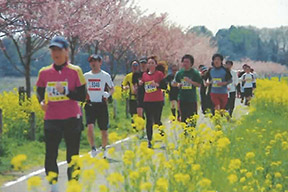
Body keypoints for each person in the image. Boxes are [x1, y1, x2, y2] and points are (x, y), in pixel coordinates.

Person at [36, 36, 86, 192]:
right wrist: (41, 102)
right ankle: (54, 186)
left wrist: (65, 92)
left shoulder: (75, 71)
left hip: (72, 117)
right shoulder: (44, 72)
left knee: (73, 154)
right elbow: (39, 91)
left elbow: (82, 96)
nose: (56, 53)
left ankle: (73, 185)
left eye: (59, 50)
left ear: (66, 52)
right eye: (53, 50)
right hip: (52, 118)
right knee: (50, 153)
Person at [84, 54, 114, 158]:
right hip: (90, 105)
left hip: (101, 105)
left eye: (95, 61)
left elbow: (112, 88)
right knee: (90, 127)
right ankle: (93, 148)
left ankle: (104, 148)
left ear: (100, 63)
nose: (93, 63)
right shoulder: (86, 76)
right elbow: (81, 88)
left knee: (104, 130)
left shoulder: (105, 75)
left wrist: (108, 94)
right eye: (91, 61)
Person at [142, 56, 167, 148]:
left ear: (156, 65)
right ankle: (150, 140)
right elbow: (143, 88)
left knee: (157, 120)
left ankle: (162, 135)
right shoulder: (144, 75)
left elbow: (165, 86)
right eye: (149, 63)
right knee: (149, 121)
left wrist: (157, 85)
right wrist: (141, 84)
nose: (151, 64)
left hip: (158, 100)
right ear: (147, 65)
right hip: (147, 100)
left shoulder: (159, 74)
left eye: (153, 63)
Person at [173, 54, 202, 124]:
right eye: (184, 62)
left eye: (187, 62)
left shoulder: (195, 73)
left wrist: (190, 82)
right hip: (182, 98)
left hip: (192, 99)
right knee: (183, 117)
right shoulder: (179, 73)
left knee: (192, 118)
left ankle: (192, 133)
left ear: (191, 63)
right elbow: (174, 83)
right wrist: (178, 84)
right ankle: (185, 133)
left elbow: (199, 85)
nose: (185, 64)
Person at [122, 60, 140, 129]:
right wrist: (125, 87)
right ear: (131, 67)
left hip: (140, 97)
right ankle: (134, 127)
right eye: (133, 66)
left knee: (140, 113)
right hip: (132, 97)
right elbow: (123, 85)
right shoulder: (128, 76)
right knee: (133, 113)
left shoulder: (141, 75)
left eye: (136, 66)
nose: (135, 67)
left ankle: (141, 126)